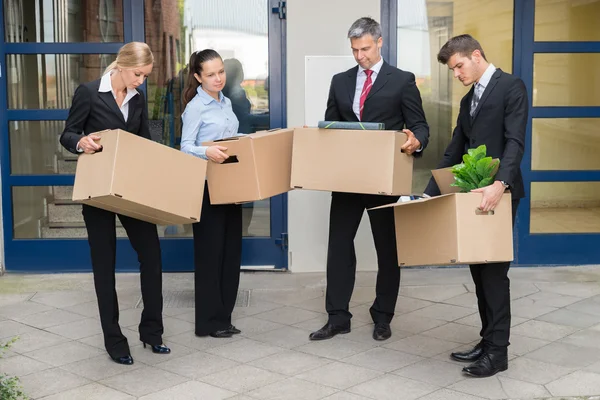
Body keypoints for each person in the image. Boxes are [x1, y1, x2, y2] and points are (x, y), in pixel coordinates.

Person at [309, 17, 429, 342]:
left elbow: (420, 127)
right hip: (348, 179)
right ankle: (337, 317)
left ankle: (383, 316)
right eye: (354, 50)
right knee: (338, 248)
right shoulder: (340, 81)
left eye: (364, 49)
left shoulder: (402, 80)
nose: (360, 56)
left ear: (379, 43)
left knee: (387, 250)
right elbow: (330, 128)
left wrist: (416, 141)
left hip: (385, 180)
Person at [60, 42, 170, 365]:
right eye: (138, 74)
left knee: (151, 255)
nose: (141, 81)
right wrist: (80, 142)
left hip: (129, 189)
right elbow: (67, 134)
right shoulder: (89, 93)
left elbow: (143, 141)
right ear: (121, 66)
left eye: (146, 76)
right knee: (104, 266)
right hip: (98, 191)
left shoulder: (137, 99)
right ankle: (114, 341)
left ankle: (152, 332)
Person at [424, 34, 527, 377]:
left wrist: (502, 183)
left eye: (459, 66)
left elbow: (515, 142)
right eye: (452, 69)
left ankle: (499, 353)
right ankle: (487, 340)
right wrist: (427, 194)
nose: (456, 74)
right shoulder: (468, 100)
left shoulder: (512, 87)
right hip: (472, 198)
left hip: (500, 194)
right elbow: (455, 150)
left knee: (494, 274)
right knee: (479, 274)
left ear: (477, 55)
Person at [180, 50, 243, 338]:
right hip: (206, 186)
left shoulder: (226, 101)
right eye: (210, 74)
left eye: (221, 72)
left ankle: (224, 317)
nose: (218, 78)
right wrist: (206, 151)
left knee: (230, 253)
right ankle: (207, 322)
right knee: (210, 255)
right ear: (198, 77)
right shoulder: (195, 107)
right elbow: (185, 147)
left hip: (229, 184)